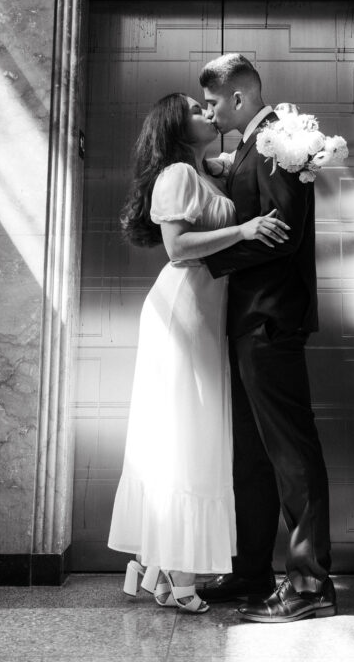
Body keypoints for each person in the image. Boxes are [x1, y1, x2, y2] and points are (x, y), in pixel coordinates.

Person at [108, 92, 289, 614]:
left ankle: (161, 565)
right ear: (175, 126)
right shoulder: (176, 177)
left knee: (193, 433)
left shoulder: (201, 171)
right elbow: (178, 247)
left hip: (206, 313)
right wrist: (246, 229)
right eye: (195, 109)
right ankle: (175, 572)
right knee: (185, 434)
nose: (207, 114)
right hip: (182, 310)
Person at [199, 54, 337, 624]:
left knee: (290, 452)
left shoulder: (281, 139)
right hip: (248, 320)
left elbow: (282, 233)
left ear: (237, 98)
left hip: (272, 321)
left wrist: (203, 260)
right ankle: (252, 572)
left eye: (211, 103)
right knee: (252, 456)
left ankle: (308, 584)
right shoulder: (252, 147)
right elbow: (247, 194)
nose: (208, 112)